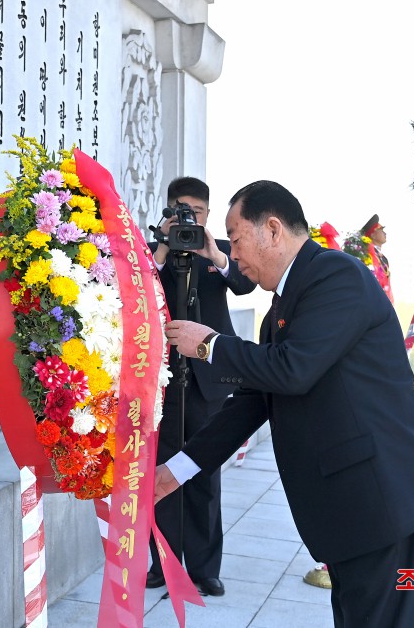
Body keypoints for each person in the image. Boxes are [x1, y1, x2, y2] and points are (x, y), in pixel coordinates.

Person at [157, 180, 414, 626]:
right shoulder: (286, 302)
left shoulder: (337, 276)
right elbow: (251, 402)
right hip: (357, 517)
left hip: (391, 510)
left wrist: (211, 345)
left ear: (272, 230)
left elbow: (292, 370)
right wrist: (174, 472)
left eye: (235, 240)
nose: (231, 255)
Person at [146, 176, 256, 597]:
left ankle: (205, 568)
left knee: (204, 471)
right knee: (163, 472)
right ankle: (164, 562)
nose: (187, 217)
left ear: (208, 214)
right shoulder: (154, 249)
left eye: (195, 211)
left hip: (208, 379)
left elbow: (245, 284)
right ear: (168, 210)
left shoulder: (221, 251)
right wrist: (162, 244)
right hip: (163, 379)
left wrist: (212, 250)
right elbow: (134, 288)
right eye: (179, 210)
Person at [362, 213, 393, 303]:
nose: (385, 233)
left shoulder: (383, 258)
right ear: (373, 235)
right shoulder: (366, 255)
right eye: (381, 230)